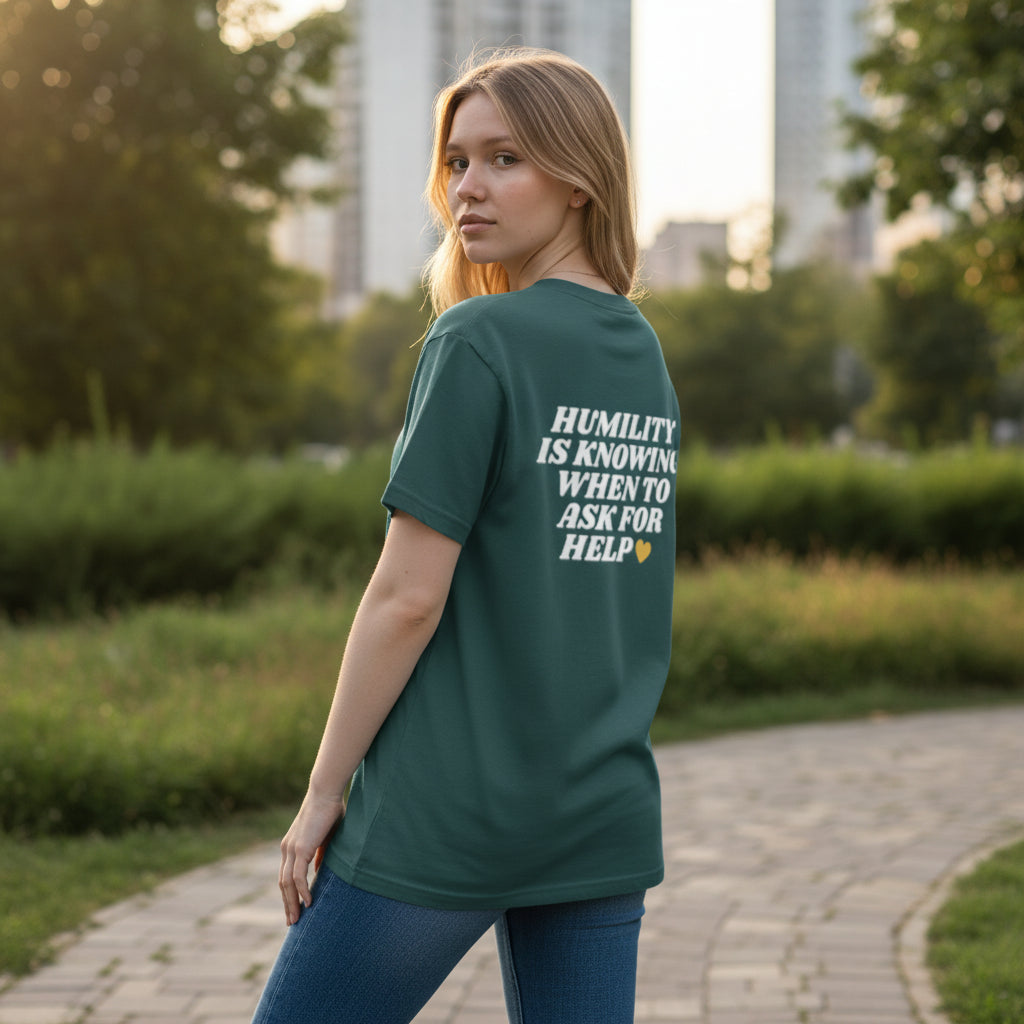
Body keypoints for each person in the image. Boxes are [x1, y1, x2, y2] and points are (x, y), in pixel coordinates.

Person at [251, 47, 680, 1024]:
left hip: (446, 814)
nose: (466, 190)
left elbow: (406, 597)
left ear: (577, 178)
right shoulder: (640, 352)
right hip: (597, 809)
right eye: (455, 162)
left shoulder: (478, 340)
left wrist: (321, 796)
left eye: (503, 160)